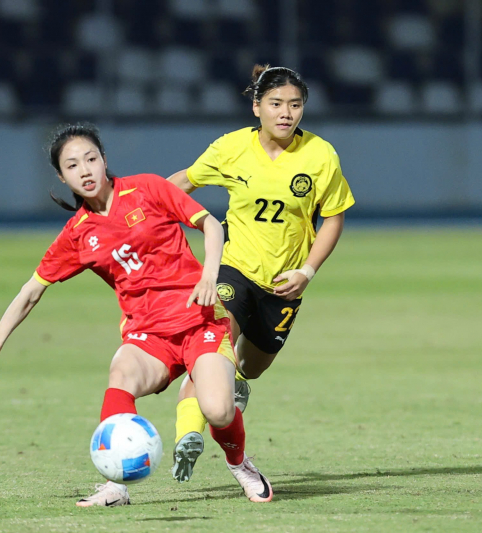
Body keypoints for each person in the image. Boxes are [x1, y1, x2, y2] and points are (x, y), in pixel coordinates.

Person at [0, 123, 273, 506]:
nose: (85, 171)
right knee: (121, 372)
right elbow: (31, 291)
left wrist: (210, 274)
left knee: (218, 410)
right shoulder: (78, 234)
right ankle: (115, 486)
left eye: (91, 159)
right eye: (72, 165)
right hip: (149, 336)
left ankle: (239, 464)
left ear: (104, 160)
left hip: (200, 321)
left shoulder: (148, 188)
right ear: (62, 177)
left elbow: (211, 224)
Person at [167, 65, 355, 483]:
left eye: (295, 105)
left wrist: (307, 270)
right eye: (276, 104)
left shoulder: (320, 155)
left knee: (249, 367)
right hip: (233, 269)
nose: (286, 113)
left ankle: (235, 383)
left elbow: (334, 217)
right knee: (212, 352)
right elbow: (185, 181)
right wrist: (140, 205)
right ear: (256, 107)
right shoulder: (231, 148)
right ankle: (188, 434)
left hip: (284, 285)